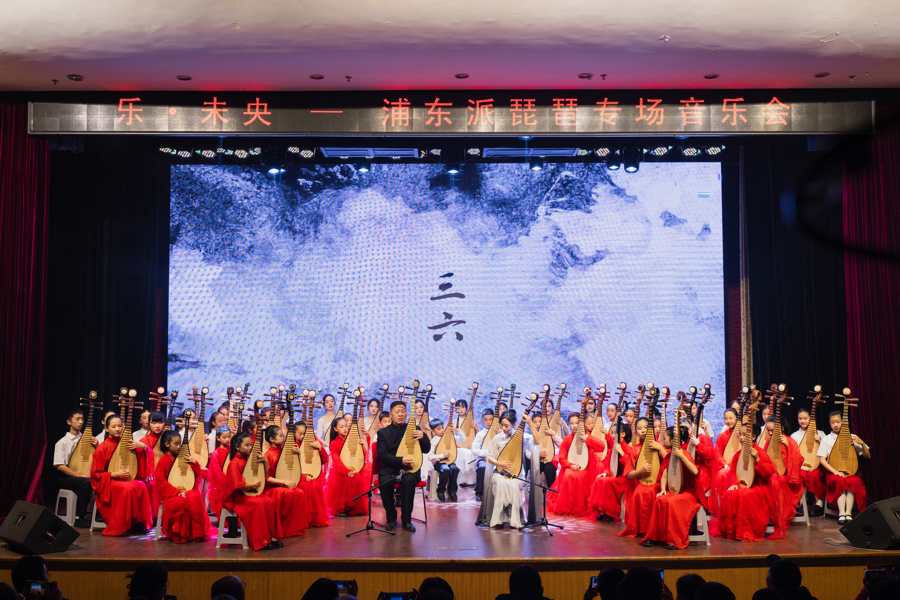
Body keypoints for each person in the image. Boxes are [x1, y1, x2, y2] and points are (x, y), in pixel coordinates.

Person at [89, 413, 154, 536]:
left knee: (141, 485)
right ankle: (121, 525)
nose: (118, 429)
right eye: (113, 427)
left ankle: (137, 521)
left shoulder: (127, 444)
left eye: (120, 426)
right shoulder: (102, 448)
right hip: (108, 483)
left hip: (124, 479)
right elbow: (96, 474)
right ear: (106, 428)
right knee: (127, 488)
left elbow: (140, 459)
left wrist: (142, 446)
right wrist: (114, 474)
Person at [640, 425, 703, 549]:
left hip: (689, 492)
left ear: (674, 440)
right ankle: (654, 537)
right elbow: (664, 475)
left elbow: (695, 471)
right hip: (674, 490)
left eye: (665, 438)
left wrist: (682, 456)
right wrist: (663, 489)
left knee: (673, 501)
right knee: (660, 500)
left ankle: (674, 540)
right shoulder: (668, 456)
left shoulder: (684, 453)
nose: (662, 441)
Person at [714, 423, 777, 542]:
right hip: (742, 485)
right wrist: (734, 484)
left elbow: (769, 473)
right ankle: (733, 530)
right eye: (740, 435)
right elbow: (733, 472)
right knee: (729, 494)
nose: (741, 437)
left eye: (744, 435)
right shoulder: (738, 454)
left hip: (758, 487)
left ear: (753, 437)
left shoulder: (759, 452)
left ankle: (745, 531)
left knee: (745, 495)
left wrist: (757, 459)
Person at [222, 432, 284, 551]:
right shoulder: (234, 463)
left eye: (251, 444)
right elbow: (236, 486)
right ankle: (261, 541)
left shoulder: (250, 460)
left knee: (270, 502)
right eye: (247, 445)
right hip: (239, 498)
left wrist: (265, 461)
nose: (250, 447)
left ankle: (271, 537)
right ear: (237, 447)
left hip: (250, 494)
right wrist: (253, 484)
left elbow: (264, 475)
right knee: (259, 504)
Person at [376, 400, 431, 531]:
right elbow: (382, 455)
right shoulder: (383, 433)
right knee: (384, 482)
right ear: (391, 414)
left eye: (403, 411)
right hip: (390, 468)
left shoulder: (415, 429)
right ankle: (391, 518)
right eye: (397, 412)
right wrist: (400, 461)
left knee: (409, 480)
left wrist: (423, 436)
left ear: (406, 413)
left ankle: (407, 520)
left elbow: (426, 449)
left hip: (411, 468)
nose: (400, 414)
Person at [153, 430, 210, 543]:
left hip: (185, 491)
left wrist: (194, 463)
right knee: (183, 500)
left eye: (180, 443)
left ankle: (194, 534)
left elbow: (196, 475)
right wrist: (176, 492)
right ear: (167, 444)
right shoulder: (163, 461)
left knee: (194, 496)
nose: (179, 446)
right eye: (175, 444)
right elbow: (161, 482)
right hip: (171, 494)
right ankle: (181, 534)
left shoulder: (184, 458)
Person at [480, 410, 531, 530]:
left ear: (514, 424)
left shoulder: (521, 436)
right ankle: (499, 520)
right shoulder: (497, 438)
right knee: (501, 484)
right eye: (502, 425)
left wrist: (530, 423)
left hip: (517, 473)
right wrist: (499, 463)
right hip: (500, 472)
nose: (503, 428)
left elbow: (537, 442)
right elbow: (489, 456)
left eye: (506, 425)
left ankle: (515, 520)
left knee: (513, 485)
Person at [817, 410, 871, 523]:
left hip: (850, 472)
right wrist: (835, 472)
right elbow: (822, 460)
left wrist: (861, 443)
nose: (836, 425)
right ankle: (842, 513)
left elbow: (867, 456)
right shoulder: (827, 439)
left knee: (853, 481)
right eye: (833, 422)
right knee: (840, 480)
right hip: (833, 473)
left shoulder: (852, 437)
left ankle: (848, 513)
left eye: (838, 421)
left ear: (843, 422)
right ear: (829, 423)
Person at [619, 419, 668, 539]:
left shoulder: (660, 444)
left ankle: (657, 529)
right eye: (639, 428)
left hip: (661, 483)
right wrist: (640, 471)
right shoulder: (635, 449)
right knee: (640, 492)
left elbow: (670, 462)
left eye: (646, 427)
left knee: (653, 491)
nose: (643, 431)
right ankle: (643, 529)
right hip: (642, 482)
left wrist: (660, 448)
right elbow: (628, 474)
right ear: (636, 432)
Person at [549, 413, 604, 516]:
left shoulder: (588, 436)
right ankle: (566, 507)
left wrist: (588, 439)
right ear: (569, 424)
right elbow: (562, 458)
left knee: (582, 475)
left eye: (577, 423)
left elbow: (602, 447)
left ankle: (578, 507)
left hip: (586, 468)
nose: (574, 426)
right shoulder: (567, 439)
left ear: (581, 424)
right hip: (570, 467)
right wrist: (570, 465)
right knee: (568, 474)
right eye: (572, 423)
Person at [590, 416, 643, 522]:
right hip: (614, 476)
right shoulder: (613, 448)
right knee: (600, 480)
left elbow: (631, 465)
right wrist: (605, 473)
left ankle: (612, 512)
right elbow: (607, 464)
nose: (613, 435)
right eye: (612, 433)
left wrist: (621, 452)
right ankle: (604, 510)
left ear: (623, 434)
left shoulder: (628, 449)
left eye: (616, 433)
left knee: (607, 482)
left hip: (625, 479)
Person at [53, 407, 97, 528]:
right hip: (66, 478)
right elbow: (60, 466)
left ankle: (100, 515)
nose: (81, 422)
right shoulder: (62, 443)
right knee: (86, 482)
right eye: (77, 419)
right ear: (69, 422)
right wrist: (79, 475)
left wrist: (97, 446)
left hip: (84, 476)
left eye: (82, 419)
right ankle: (79, 517)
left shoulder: (88, 440)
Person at [763, 417, 804, 538]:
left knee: (777, 481)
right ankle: (766, 517)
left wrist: (788, 445)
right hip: (772, 477)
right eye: (768, 430)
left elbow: (799, 461)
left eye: (772, 430)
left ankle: (779, 517)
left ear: (781, 428)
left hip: (788, 478)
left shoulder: (790, 441)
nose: (770, 433)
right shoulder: (767, 444)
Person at [325, 417, 369, 517]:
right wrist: (346, 471)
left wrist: (362, 446)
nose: (345, 428)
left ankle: (356, 508)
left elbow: (363, 456)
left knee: (357, 477)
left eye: (345, 426)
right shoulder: (334, 443)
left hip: (355, 468)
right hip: (341, 471)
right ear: (335, 429)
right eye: (341, 427)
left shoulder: (354, 439)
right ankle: (342, 508)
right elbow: (336, 461)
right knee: (346, 479)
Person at [291, 420, 331, 526]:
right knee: (306, 486)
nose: (302, 436)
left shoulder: (313, 442)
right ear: (294, 433)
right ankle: (304, 519)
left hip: (314, 474)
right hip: (297, 476)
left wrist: (320, 448)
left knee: (315, 485)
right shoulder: (291, 444)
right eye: (300, 434)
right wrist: (303, 476)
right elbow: (290, 466)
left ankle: (315, 519)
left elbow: (324, 460)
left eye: (304, 433)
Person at [789, 408, 827, 517]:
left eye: (805, 418)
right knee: (801, 475)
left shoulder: (820, 433)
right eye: (800, 418)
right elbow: (793, 454)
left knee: (815, 475)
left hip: (817, 466)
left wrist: (820, 440)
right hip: (801, 466)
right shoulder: (794, 435)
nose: (802, 421)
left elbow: (828, 452)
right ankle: (802, 504)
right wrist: (801, 466)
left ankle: (819, 504)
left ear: (810, 418)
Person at [426, 418, 465, 501]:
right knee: (445, 469)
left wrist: (457, 430)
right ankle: (440, 490)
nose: (442, 430)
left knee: (455, 469)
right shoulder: (433, 441)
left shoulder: (449, 437)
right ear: (433, 431)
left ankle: (452, 491)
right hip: (438, 463)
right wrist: (442, 456)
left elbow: (462, 439)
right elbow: (430, 456)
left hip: (449, 461)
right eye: (439, 429)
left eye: (443, 428)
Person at [713, 408, 740, 512]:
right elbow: (718, 453)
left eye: (731, 418)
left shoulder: (742, 434)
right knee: (722, 474)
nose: (728, 421)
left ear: (737, 418)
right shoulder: (722, 436)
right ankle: (725, 508)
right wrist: (725, 464)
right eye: (726, 418)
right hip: (727, 467)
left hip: (739, 467)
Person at [529, 412, 562, 489]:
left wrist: (553, 434)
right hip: (537, 461)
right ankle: (536, 492)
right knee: (535, 470)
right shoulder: (531, 436)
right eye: (535, 422)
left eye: (540, 421)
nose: (538, 424)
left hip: (550, 460)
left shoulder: (549, 433)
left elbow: (562, 444)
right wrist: (537, 454)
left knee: (549, 469)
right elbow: (528, 453)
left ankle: (551, 492)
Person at [472, 408, 497, 501]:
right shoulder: (480, 434)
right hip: (483, 459)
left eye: (491, 419)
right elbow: (474, 449)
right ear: (482, 421)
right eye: (486, 420)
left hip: (496, 459)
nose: (488, 422)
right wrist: (486, 453)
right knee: (482, 467)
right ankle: (479, 492)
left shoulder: (499, 433)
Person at [207, 425, 233, 517]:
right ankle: (223, 521)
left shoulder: (232, 450)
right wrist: (226, 481)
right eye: (224, 437)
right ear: (218, 438)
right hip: (221, 483)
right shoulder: (216, 453)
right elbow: (217, 471)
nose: (227, 439)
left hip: (232, 480)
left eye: (229, 437)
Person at [452, 399, 478, 486]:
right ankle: (461, 479)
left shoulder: (472, 421)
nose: (460, 409)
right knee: (463, 452)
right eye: (458, 407)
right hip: (458, 447)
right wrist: (461, 446)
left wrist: (476, 427)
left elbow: (479, 436)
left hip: (470, 446)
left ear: (466, 408)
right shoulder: (454, 422)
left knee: (471, 452)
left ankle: (470, 480)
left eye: (462, 407)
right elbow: (451, 440)